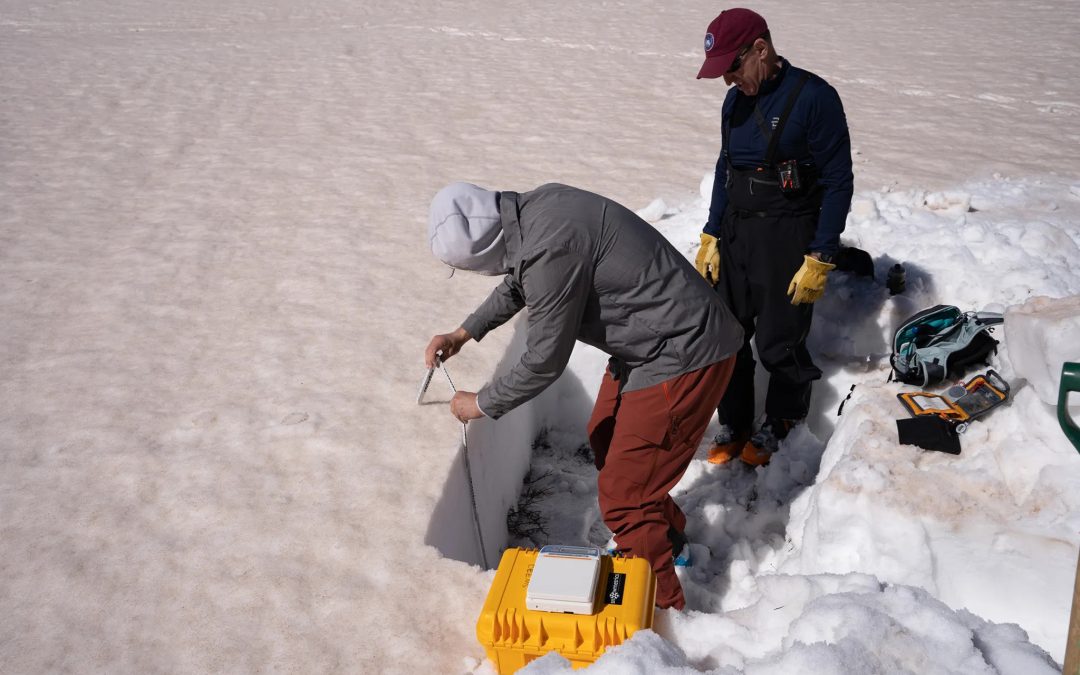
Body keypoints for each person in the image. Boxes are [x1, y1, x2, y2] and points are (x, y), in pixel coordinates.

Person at [424, 181, 743, 610]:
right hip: (650, 339)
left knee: (623, 498)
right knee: (606, 439)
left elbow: (543, 361)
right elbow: (523, 282)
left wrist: (480, 404)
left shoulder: (548, 249)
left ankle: (664, 612)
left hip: (683, 351)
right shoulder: (535, 210)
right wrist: (465, 333)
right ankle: (664, 543)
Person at [693, 8, 854, 466]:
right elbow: (727, 167)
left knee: (780, 340)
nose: (728, 81)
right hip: (736, 231)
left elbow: (838, 180)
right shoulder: (735, 101)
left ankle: (782, 419)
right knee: (726, 333)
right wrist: (712, 232)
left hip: (787, 233)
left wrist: (821, 253)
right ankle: (736, 421)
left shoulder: (814, 98)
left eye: (732, 67)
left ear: (760, 49)